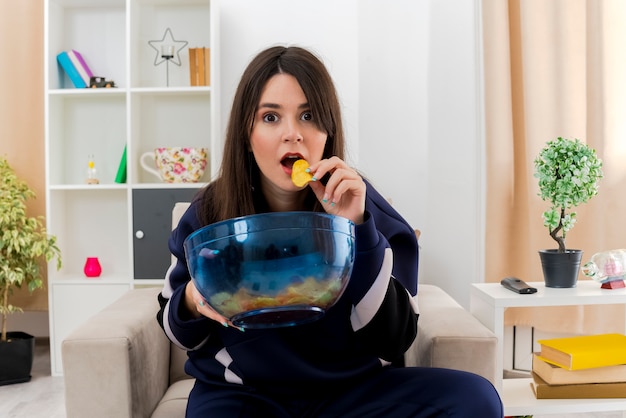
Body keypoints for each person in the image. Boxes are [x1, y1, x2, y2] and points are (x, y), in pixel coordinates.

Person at [157, 45, 503, 417]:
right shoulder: (208, 216)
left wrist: (357, 228)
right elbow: (176, 330)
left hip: (353, 394)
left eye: (307, 115)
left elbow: (396, 339)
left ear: (328, 130)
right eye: (271, 118)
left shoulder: (368, 210)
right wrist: (193, 299)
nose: (293, 134)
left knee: (476, 398)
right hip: (244, 398)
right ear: (247, 132)